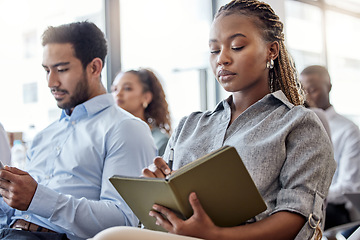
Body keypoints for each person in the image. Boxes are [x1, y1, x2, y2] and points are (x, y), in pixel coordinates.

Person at [91, 1, 336, 239]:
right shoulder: (190, 125)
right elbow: (160, 214)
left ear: (271, 50)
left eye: (237, 46)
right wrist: (156, 191)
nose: (222, 59)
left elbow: (297, 218)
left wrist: (215, 235)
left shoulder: (300, 124)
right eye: (214, 50)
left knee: (110, 237)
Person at [0, 21, 156, 240]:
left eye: (61, 69)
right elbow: (16, 211)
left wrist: (38, 198)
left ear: (94, 67)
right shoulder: (44, 135)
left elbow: (123, 222)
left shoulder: (125, 129)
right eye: (46, 70)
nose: (51, 82)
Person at [300, 65, 360, 230]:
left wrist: (312, 197)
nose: (306, 95)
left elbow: (348, 187)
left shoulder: (348, 131)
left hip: (336, 209)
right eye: (302, 89)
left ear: (329, 88)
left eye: (313, 89)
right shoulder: (298, 126)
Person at [112, 68, 171, 156]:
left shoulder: (160, 142)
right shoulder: (112, 137)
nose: (118, 94)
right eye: (115, 89)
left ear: (146, 97)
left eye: (127, 88)